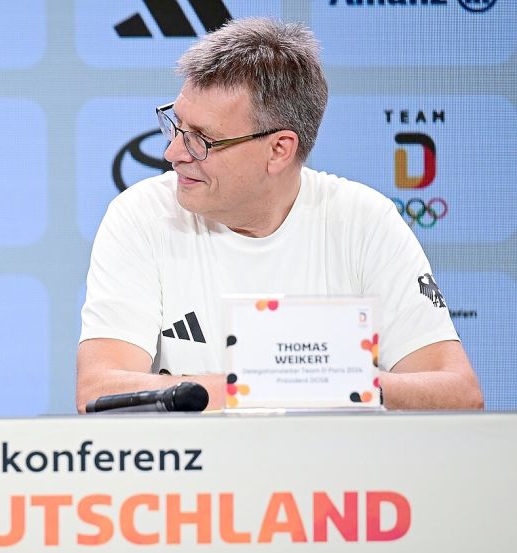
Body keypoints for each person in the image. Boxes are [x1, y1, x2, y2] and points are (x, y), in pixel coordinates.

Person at [77, 18, 482, 412]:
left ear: (279, 150)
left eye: (202, 139)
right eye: (177, 125)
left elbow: (458, 393)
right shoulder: (143, 215)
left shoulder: (363, 221)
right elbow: (98, 388)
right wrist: (274, 383)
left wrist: (335, 383)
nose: (174, 153)